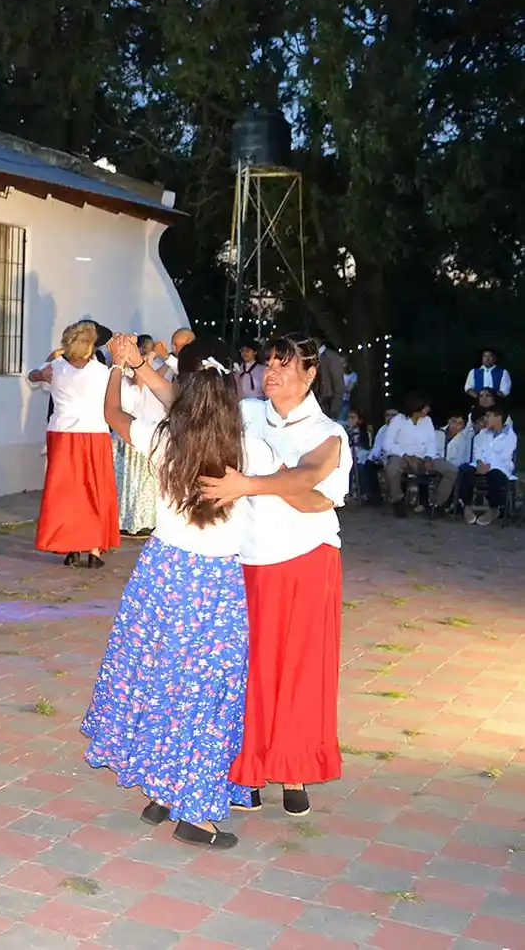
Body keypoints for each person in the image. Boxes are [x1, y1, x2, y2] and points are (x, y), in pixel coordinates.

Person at [85, 335, 289, 849]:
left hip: (160, 574)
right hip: (214, 584)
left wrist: (119, 368)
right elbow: (291, 481)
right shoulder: (251, 448)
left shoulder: (161, 437)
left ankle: (163, 790)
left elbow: (113, 413)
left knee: (160, 681)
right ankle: (193, 814)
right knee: (206, 695)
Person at [200, 334, 349, 818]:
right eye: (269, 362)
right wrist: (140, 368)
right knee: (250, 670)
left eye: (285, 365)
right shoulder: (246, 413)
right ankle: (247, 768)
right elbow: (189, 411)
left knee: (299, 671)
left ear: (309, 375)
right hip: (248, 558)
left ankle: (295, 769)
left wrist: (252, 483)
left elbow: (312, 489)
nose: (272, 371)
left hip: (305, 559)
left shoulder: (327, 433)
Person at [30, 321, 119, 567]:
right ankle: (94, 549)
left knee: (66, 492)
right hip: (94, 433)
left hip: (61, 433)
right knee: (95, 490)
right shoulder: (103, 372)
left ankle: (71, 547)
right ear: (91, 346)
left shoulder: (55, 368)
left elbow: (33, 376)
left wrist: (38, 373)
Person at [113, 335, 163, 537]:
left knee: (145, 483)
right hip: (127, 431)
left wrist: (150, 361)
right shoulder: (119, 374)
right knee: (127, 482)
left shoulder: (156, 366)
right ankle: (123, 519)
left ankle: (142, 519)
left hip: (146, 432)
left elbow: (149, 384)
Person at [381, 393, 457, 517]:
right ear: (417, 408)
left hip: (424, 457)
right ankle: (397, 500)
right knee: (392, 468)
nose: (428, 409)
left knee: (452, 470)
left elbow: (432, 442)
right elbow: (387, 443)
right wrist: (405, 455)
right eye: (426, 407)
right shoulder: (398, 420)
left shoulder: (427, 421)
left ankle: (437, 505)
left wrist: (428, 457)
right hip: (403, 457)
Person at [459, 406, 516, 525]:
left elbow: (504, 456)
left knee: (496, 475)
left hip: (499, 466)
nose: (485, 419)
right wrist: (480, 462)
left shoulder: (510, 435)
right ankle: (466, 505)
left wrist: (488, 466)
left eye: (488, 416)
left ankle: (494, 508)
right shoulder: (483, 433)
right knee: (465, 470)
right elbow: (477, 450)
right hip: (480, 464)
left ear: (498, 418)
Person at [313, 332, 346, 421]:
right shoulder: (312, 357)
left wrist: (334, 410)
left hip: (327, 403)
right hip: (315, 403)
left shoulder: (331, 357)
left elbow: (338, 383)